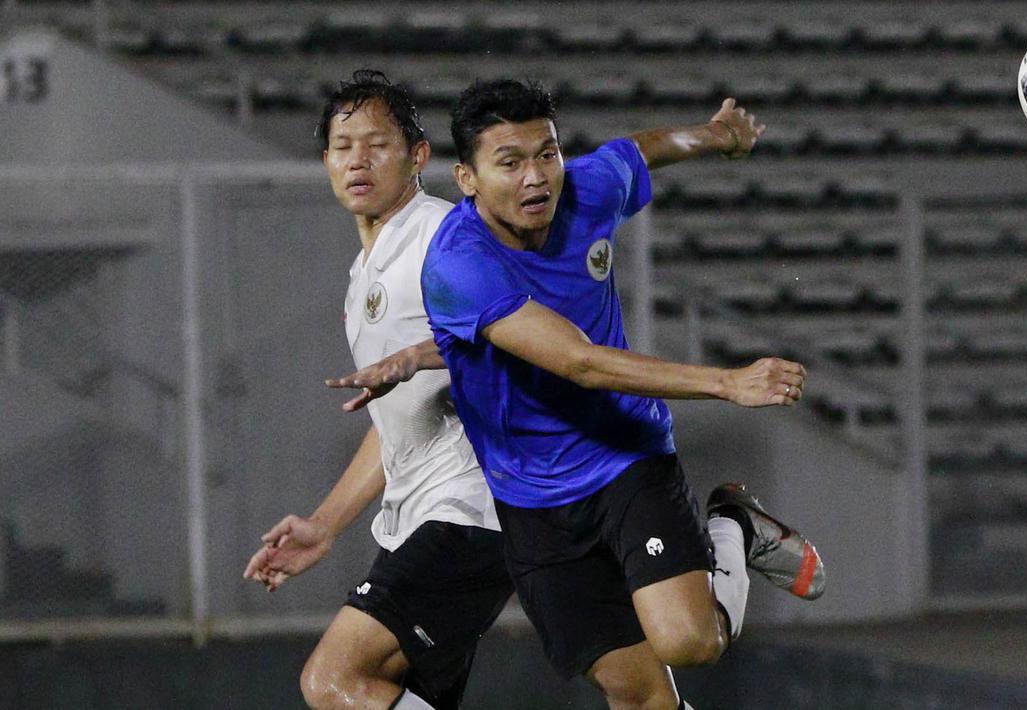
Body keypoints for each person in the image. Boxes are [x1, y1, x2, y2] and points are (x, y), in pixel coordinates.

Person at [331, 79, 825, 710]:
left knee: (688, 644)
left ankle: (731, 522)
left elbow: (638, 152)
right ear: (467, 178)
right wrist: (727, 382)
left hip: (625, 457)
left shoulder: (586, 188)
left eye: (547, 153)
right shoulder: (457, 261)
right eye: (509, 163)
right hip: (532, 503)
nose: (536, 178)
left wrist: (713, 135)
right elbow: (576, 361)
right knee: (635, 691)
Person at [242, 70, 512, 710]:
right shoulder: (367, 268)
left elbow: (520, 339)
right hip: (421, 519)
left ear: (418, 155)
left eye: (377, 143)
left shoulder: (442, 239)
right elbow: (398, 421)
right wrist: (325, 524)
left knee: (331, 681)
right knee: (380, 694)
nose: (357, 159)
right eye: (342, 146)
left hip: (472, 512)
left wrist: (425, 354)